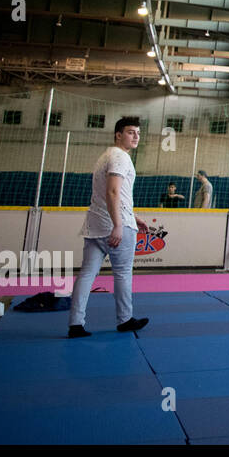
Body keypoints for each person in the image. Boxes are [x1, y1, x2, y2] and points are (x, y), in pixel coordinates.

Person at [67, 116, 150, 337]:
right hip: (113, 225)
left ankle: (76, 324)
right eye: (131, 132)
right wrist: (118, 225)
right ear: (118, 134)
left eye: (138, 133)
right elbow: (112, 191)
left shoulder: (106, 156)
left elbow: (116, 195)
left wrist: (133, 215)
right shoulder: (120, 157)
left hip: (95, 223)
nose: (136, 136)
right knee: (122, 273)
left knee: (86, 274)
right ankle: (125, 319)